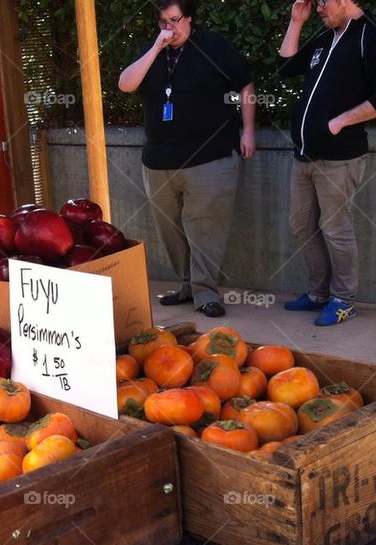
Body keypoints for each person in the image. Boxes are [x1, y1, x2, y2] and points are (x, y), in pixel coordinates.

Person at [119, 0, 256, 318]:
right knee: (171, 230)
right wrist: (155, 48)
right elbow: (126, 85)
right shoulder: (151, 51)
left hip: (210, 157)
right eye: (163, 22)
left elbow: (245, 84)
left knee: (205, 228)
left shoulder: (213, 45)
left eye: (175, 20)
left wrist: (248, 131)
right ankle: (188, 286)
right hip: (159, 160)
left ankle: (206, 293)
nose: (169, 27)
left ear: (190, 19)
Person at [278, 0, 376, 326]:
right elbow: (285, 67)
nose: (318, 6)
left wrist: (341, 121)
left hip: (339, 159)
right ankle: (319, 293)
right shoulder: (324, 36)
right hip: (303, 155)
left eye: (322, 1)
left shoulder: (372, 37)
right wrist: (296, 21)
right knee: (301, 226)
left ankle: (344, 299)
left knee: (336, 229)